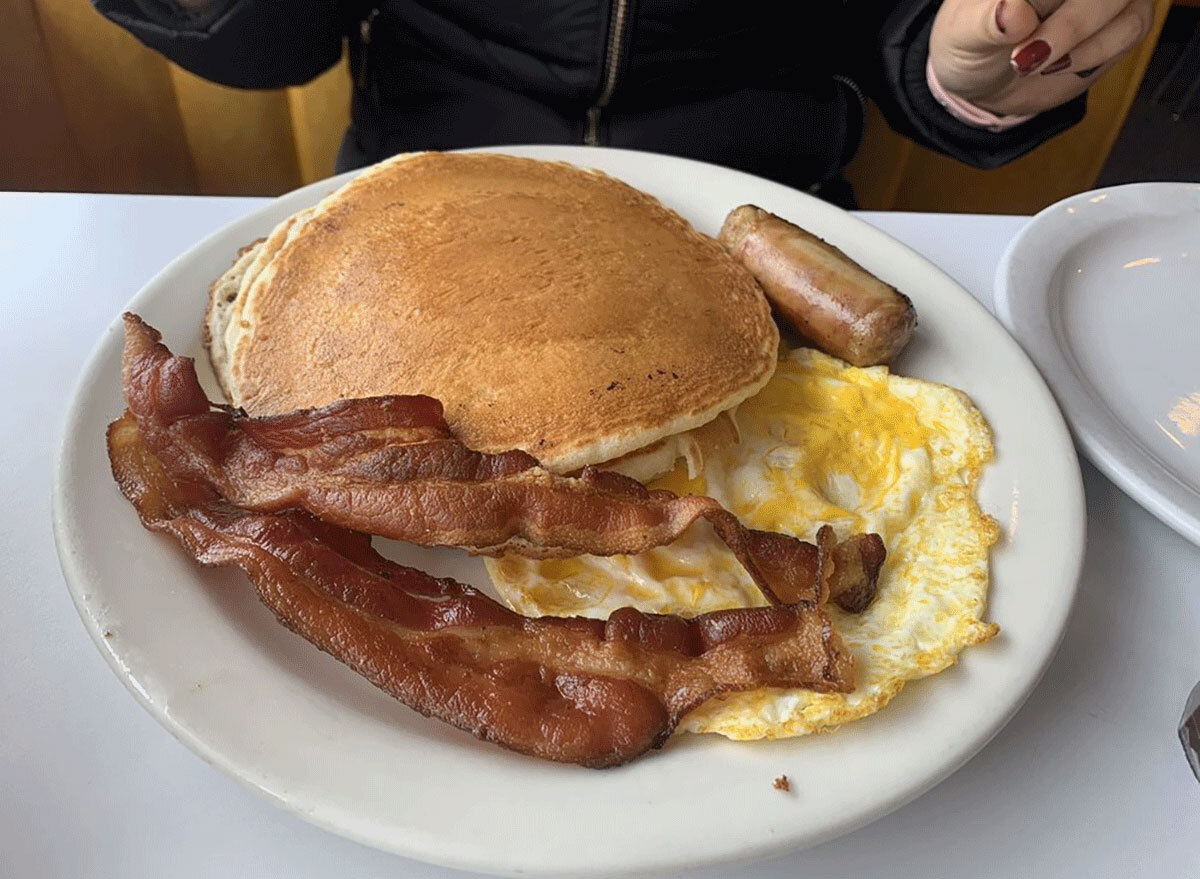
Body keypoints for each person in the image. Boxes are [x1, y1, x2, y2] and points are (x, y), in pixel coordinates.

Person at [93, 0, 1154, 206]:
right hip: (418, 195)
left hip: (760, 214)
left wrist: (967, 75)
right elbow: (268, 44)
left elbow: (906, 37)